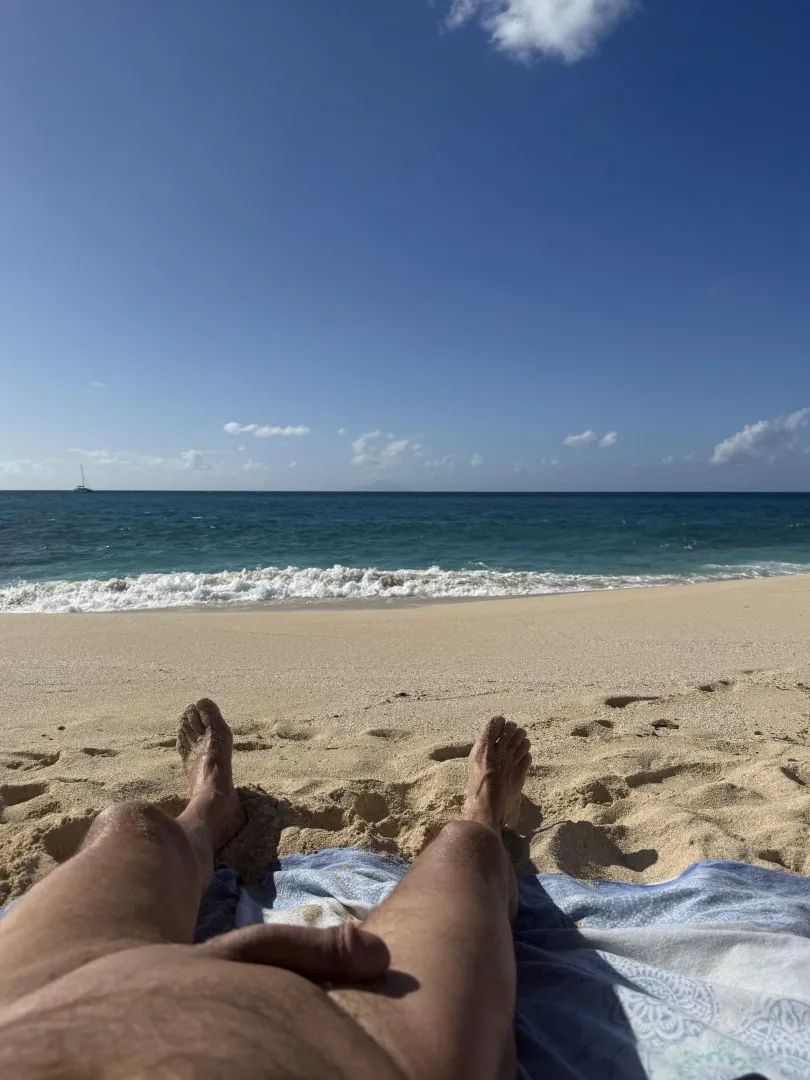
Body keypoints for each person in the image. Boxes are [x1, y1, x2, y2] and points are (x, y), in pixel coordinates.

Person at [0, 699, 532, 1080]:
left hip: (30, 1007)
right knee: (466, 851)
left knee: (132, 827)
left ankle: (209, 812)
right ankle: (485, 811)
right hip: (373, 1054)